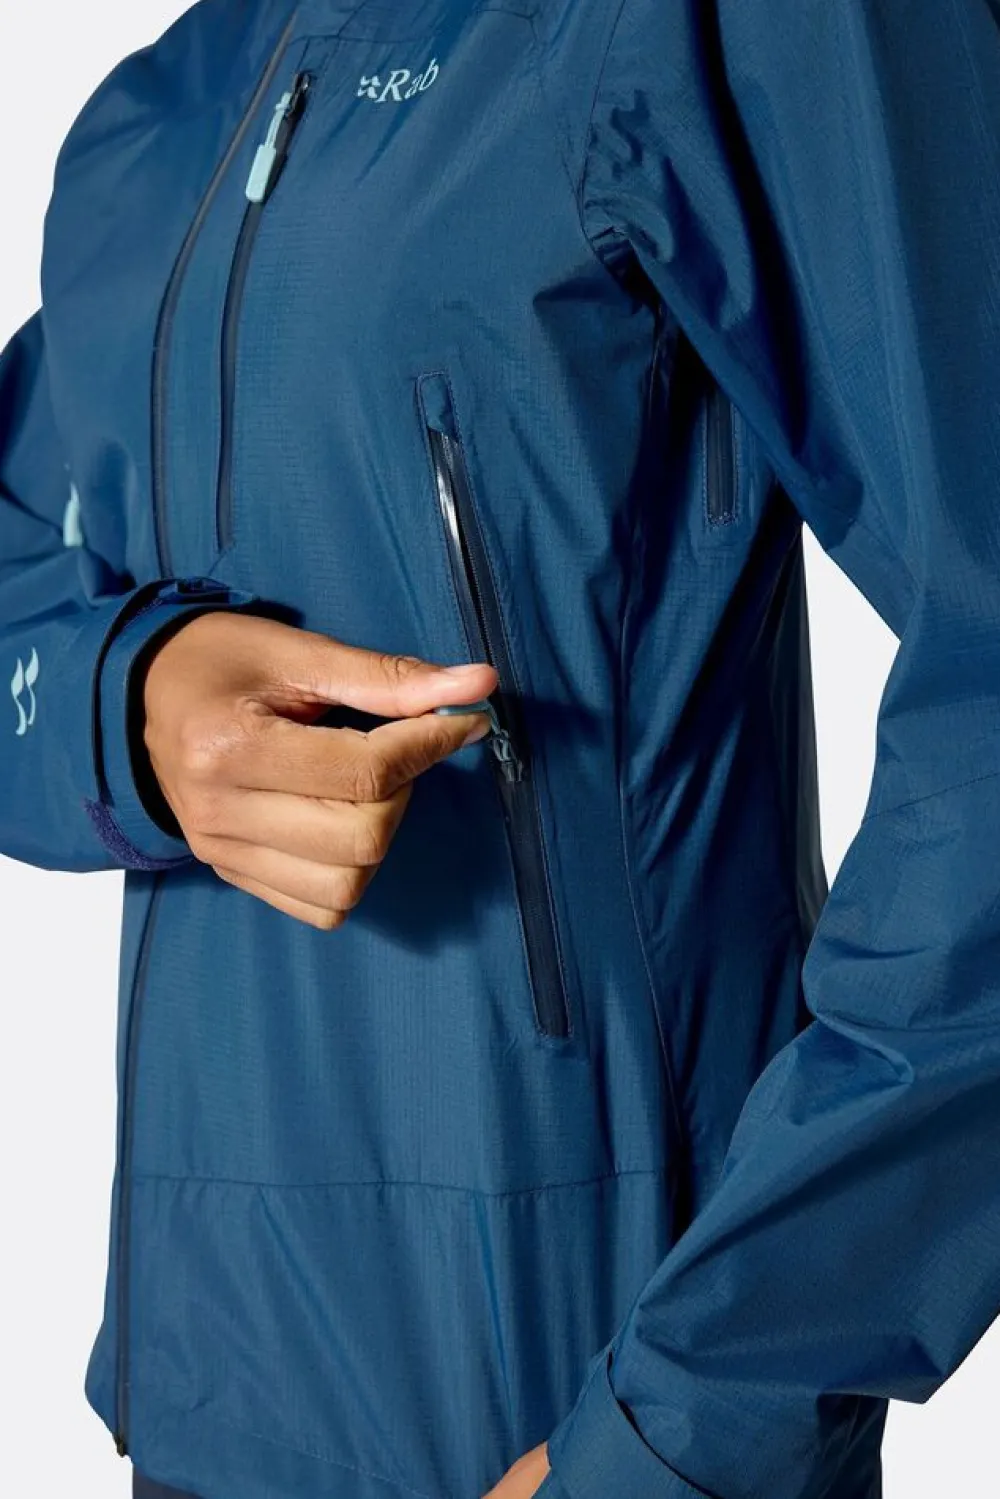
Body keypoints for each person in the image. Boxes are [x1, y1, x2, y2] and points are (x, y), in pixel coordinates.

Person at [2, 0, 999, 1495]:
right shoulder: (157, 114)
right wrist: (129, 697)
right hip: (205, 1402)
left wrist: (699, 1424)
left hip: (581, 1412)